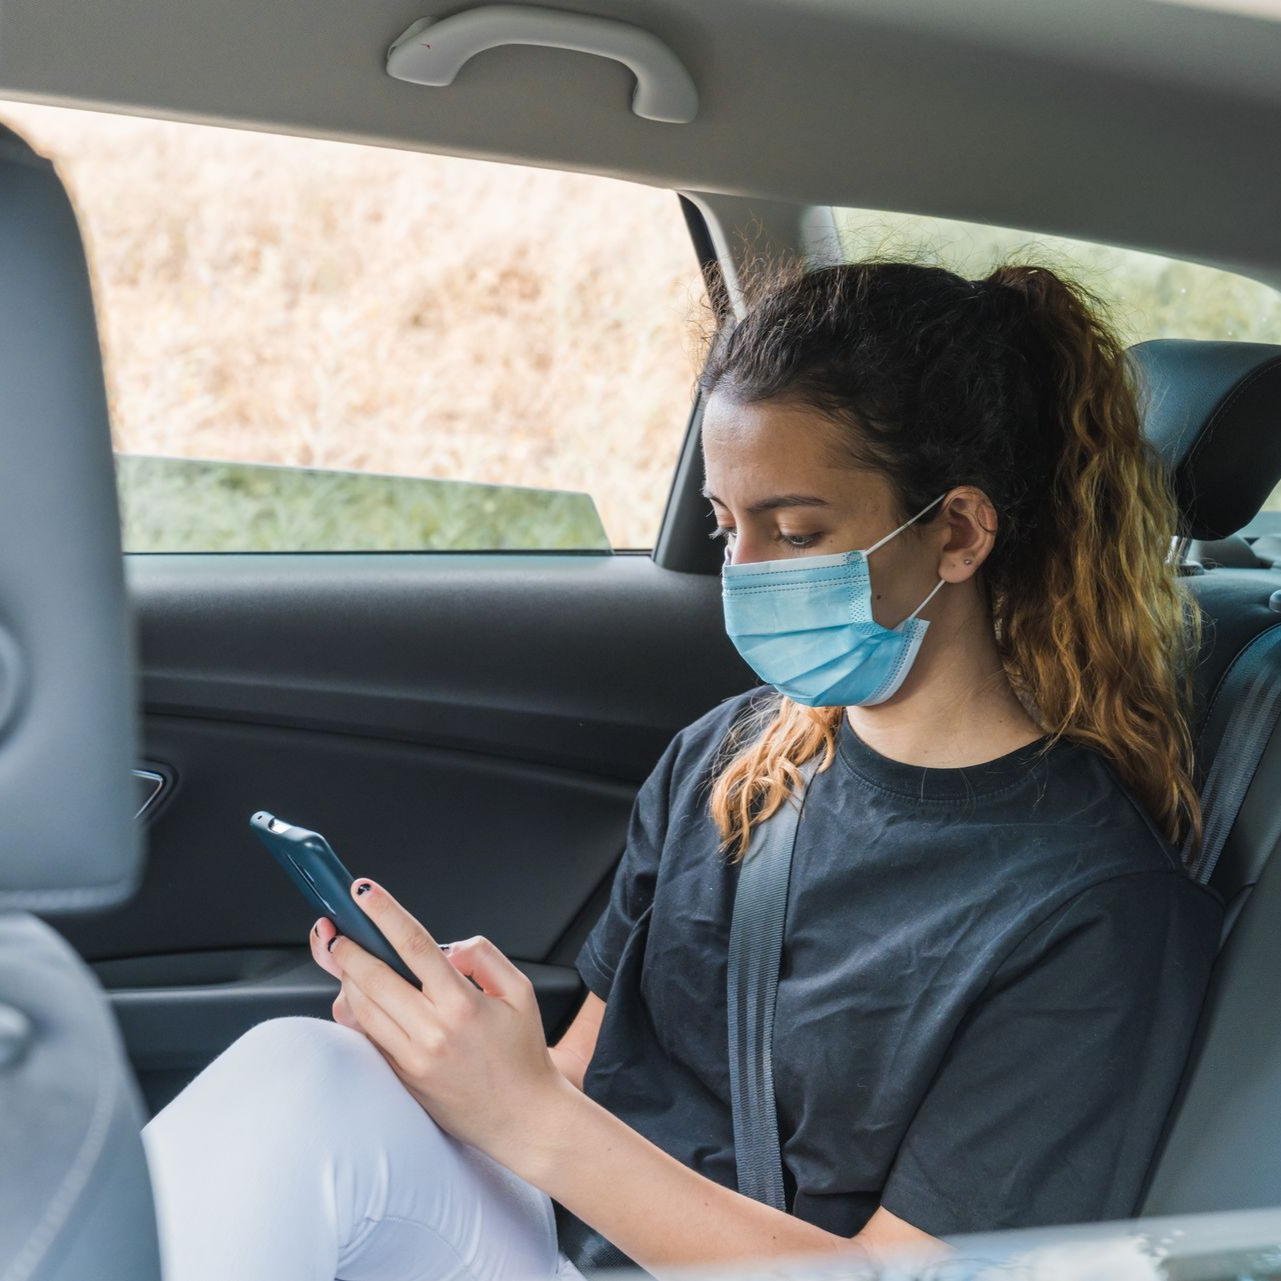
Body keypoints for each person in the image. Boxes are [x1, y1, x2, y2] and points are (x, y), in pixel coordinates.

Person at [140, 257, 1223, 1281]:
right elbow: (585, 1081)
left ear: (957, 533)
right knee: (310, 1074)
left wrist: (525, 1111)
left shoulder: (1094, 913)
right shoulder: (733, 759)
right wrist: (466, 1059)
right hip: (569, 1245)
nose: (741, 573)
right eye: (725, 526)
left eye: (793, 532)